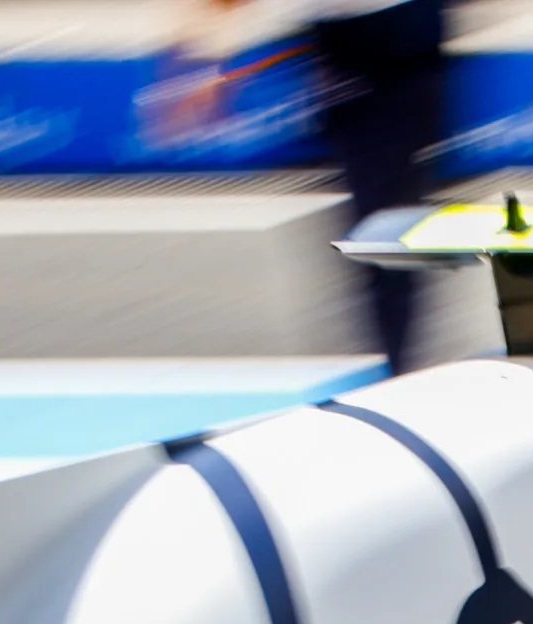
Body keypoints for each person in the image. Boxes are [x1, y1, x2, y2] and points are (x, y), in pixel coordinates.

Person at [182, 0, 449, 377]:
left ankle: (395, 361)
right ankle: (392, 358)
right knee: (378, 215)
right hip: (340, 40)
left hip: (397, 30)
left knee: (386, 214)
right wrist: (203, 60)